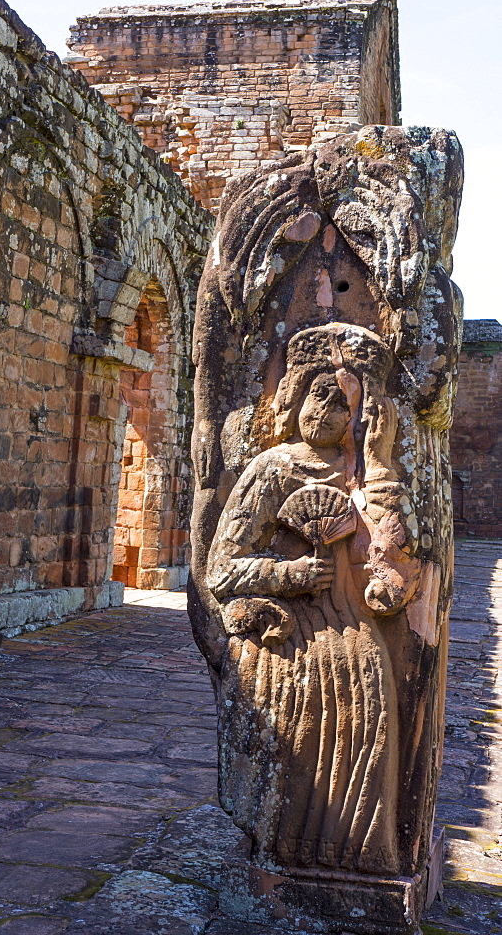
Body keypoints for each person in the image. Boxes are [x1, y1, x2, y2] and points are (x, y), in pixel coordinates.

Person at [206, 329, 421, 876]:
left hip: (352, 627)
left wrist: (377, 474)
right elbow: (221, 569)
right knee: (291, 716)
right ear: (295, 395)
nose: (324, 411)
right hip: (285, 628)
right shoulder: (273, 469)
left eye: (340, 401)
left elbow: (395, 565)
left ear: (358, 416)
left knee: (370, 694)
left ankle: (353, 861)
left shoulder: (365, 478)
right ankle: (279, 848)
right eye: (317, 394)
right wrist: (290, 573)